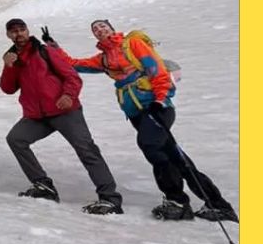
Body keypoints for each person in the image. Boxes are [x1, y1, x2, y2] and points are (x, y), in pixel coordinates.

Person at [72, 19, 237, 222]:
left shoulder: (132, 44)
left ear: (112, 29)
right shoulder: (104, 58)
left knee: (150, 145)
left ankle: (176, 200)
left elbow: (155, 69)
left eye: (103, 26)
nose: (100, 30)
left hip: (156, 107)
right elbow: (76, 64)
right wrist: (53, 47)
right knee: (175, 156)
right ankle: (217, 204)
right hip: (137, 113)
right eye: (96, 30)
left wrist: (159, 100)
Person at [0, 18, 122, 214]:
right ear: (8, 35)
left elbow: (72, 76)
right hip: (37, 116)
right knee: (16, 139)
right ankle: (43, 185)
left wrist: (68, 95)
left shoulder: (45, 51)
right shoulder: (11, 58)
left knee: (86, 149)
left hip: (65, 110)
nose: (18, 34)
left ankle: (110, 198)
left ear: (28, 31)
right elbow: (8, 88)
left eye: (22, 29)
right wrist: (8, 67)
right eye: (13, 31)